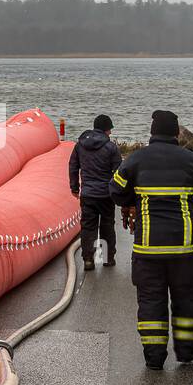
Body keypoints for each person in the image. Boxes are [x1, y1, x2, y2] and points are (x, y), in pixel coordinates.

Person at [109, 110, 193, 369]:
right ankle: (186, 352)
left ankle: (154, 358)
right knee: (187, 301)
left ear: (152, 132)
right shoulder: (190, 159)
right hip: (185, 250)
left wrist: (131, 199)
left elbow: (114, 189)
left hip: (148, 250)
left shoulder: (135, 159)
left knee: (151, 303)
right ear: (177, 132)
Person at [68, 114, 122, 272]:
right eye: (110, 129)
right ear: (106, 129)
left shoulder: (80, 145)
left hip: (88, 194)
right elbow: (119, 171)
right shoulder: (111, 147)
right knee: (107, 226)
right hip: (106, 195)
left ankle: (88, 260)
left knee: (88, 227)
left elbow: (73, 167)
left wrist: (75, 188)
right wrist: (117, 191)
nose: (111, 133)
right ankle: (107, 259)